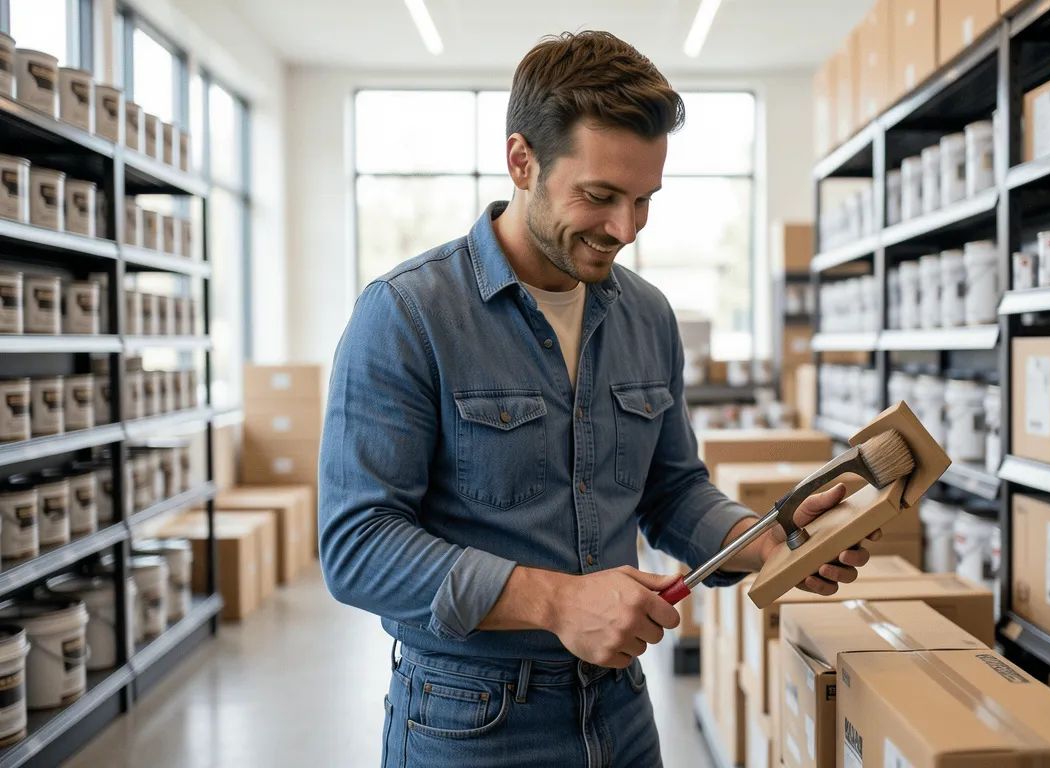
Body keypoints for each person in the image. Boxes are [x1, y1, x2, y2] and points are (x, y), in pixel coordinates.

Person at [319, 30, 881, 768]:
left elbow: (672, 490)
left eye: (644, 200)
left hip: (620, 709)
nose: (625, 230)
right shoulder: (407, 315)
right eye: (600, 196)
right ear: (522, 161)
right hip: (467, 719)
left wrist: (764, 541)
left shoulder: (646, 316)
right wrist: (556, 602)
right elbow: (357, 546)